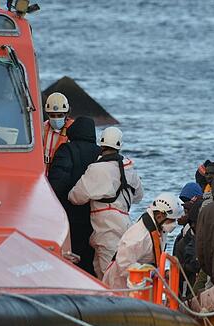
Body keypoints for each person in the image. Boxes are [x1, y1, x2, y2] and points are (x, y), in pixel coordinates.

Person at [68, 126, 144, 279]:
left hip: (106, 229)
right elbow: (139, 196)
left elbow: (75, 197)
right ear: (119, 145)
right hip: (125, 225)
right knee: (113, 269)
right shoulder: (129, 167)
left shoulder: (97, 169)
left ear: (101, 144)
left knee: (107, 275)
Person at [47, 117, 100, 276]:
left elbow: (57, 182)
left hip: (70, 214)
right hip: (95, 216)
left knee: (73, 258)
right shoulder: (100, 153)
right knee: (91, 259)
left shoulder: (66, 150)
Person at [102, 193, 183, 289]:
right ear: (159, 216)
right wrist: (150, 274)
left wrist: (161, 272)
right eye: (172, 220)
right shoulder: (139, 236)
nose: (174, 224)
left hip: (142, 281)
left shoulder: (159, 227)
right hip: (121, 283)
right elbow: (123, 265)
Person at [43, 92, 75, 172]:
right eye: (52, 116)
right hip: (43, 175)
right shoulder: (42, 128)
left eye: (60, 115)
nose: (56, 119)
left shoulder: (74, 130)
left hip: (61, 174)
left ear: (66, 114)